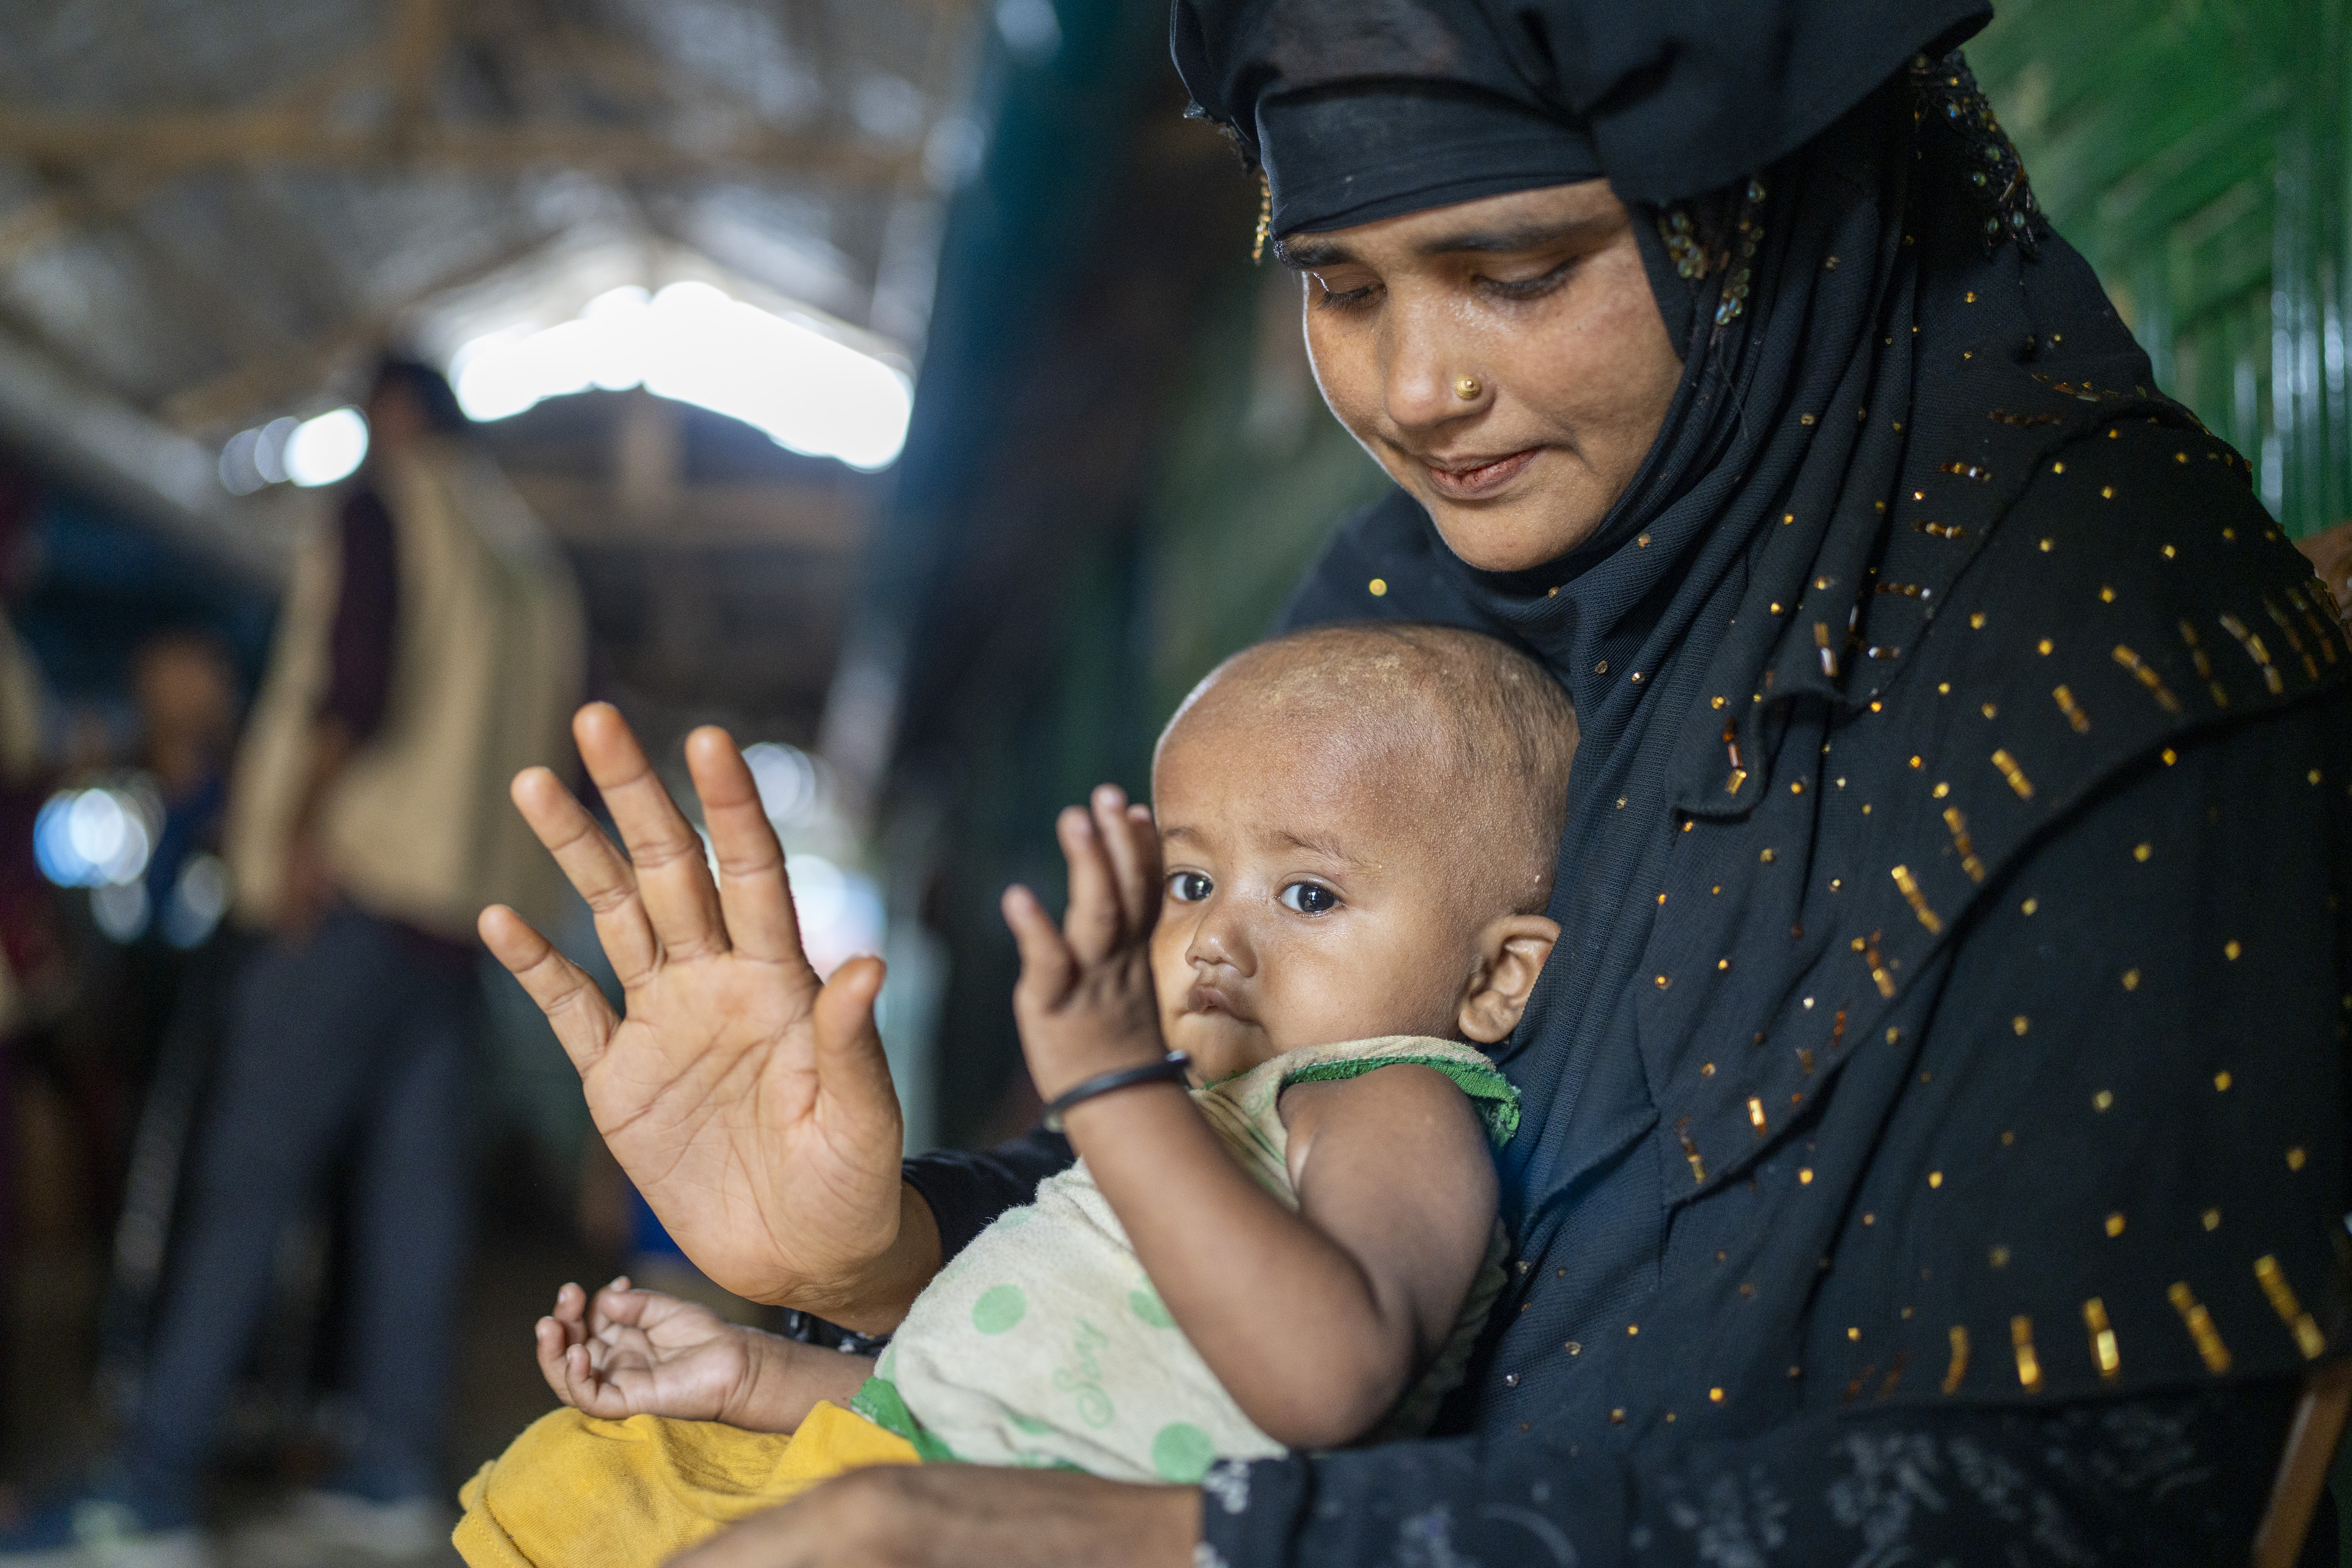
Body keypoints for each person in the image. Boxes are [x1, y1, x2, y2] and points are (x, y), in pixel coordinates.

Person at [477, 3, 2352, 1563]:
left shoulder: (2097, 643)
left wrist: (1129, 1544)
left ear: (1753, 212)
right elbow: (1237, 1200)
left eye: (1516, 271)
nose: (1418, 384)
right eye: (1343, 285)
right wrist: (882, 1247)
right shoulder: (1407, 611)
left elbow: (2112, 1504)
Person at [454, 624, 1575, 1565]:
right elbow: (995, 1403)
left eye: (1312, 894)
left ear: (1493, 978)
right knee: (582, 1474)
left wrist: (1118, 1096)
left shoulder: (1389, 1104)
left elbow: (1333, 1380)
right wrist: (750, 1373)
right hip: (918, 1480)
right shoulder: (1198, 1115)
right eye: (1191, 882)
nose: (1215, 942)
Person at [0, 359, 586, 1566]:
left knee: (243, 1183)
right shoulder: (532, 569)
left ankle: (152, 1489)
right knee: (412, 1203)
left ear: (397, 415)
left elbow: (354, 689)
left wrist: (307, 829)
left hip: (357, 895)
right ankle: (393, 1474)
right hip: (458, 926)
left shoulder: (387, 507)